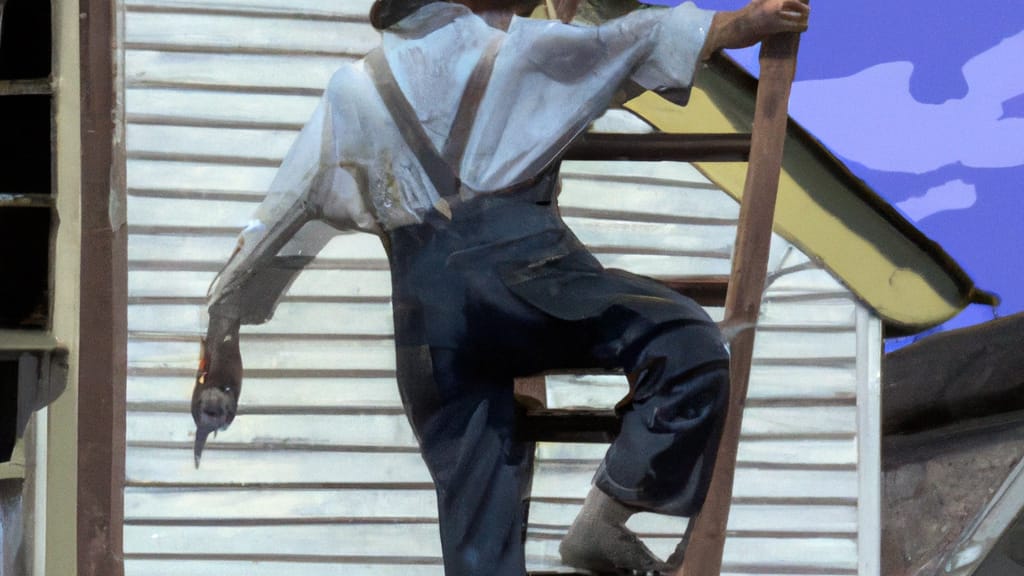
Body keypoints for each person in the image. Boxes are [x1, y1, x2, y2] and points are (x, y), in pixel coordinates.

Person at [190, 0, 810, 574]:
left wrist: (224, 329)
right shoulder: (516, 50)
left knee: (478, 541)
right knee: (689, 343)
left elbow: (283, 213)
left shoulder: (354, 85)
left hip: (428, 319)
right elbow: (626, 40)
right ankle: (604, 519)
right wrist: (739, 25)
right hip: (528, 282)